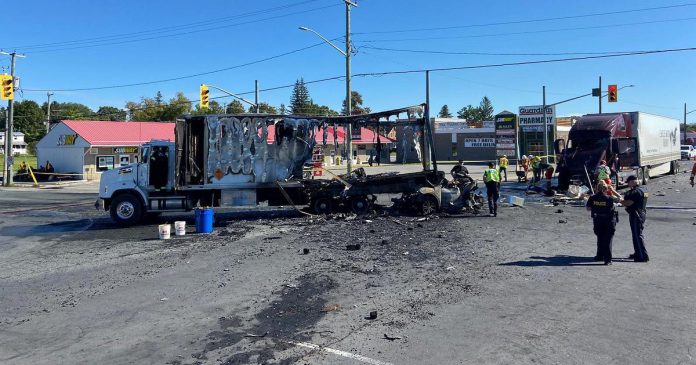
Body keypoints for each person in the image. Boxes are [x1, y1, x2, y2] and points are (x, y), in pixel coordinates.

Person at [586, 181, 619, 265]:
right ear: (606, 189)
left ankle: (599, 256)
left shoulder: (592, 197)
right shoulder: (609, 198)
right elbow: (620, 199)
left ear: (596, 188)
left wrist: (596, 206)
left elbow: (588, 208)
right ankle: (607, 260)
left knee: (600, 238)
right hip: (608, 221)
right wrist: (613, 191)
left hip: (597, 220)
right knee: (608, 240)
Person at [622, 175, 649, 262]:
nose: (628, 185)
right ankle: (637, 252)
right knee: (635, 235)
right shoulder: (644, 189)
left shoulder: (635, 192)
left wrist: (620, 201)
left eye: (629, 183)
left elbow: (628, 203)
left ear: (632, 181)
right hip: (642, 213)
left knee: (638, 235)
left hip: (636, 215)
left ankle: (642, 256)